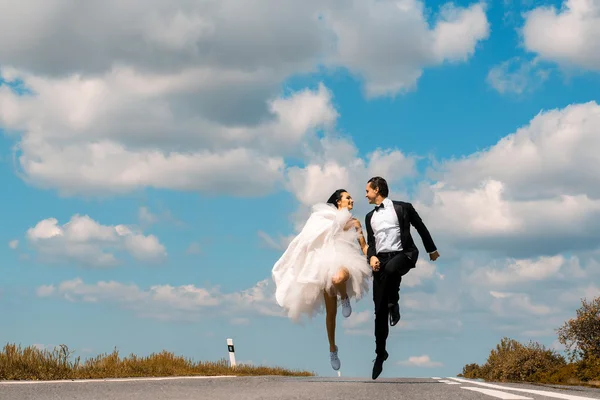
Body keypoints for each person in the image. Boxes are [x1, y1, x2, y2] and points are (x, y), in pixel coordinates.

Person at [272, 189, 371, 371]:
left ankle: (345, 296)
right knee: (331, 313)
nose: (352, 200)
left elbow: (363, 246)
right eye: (347, 198)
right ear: (338, 202)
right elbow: (309, 236)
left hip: (347, 260)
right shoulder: (325, 218)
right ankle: (333, 348)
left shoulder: (355, 222)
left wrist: (372, 256)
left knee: (338, 277)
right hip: (325, 262)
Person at [364, 176, 440, 380]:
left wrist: (431, 249)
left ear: (377, 189)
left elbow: (420, 227)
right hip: (380, 260)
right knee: (378, 312)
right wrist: (371, 256)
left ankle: (393, 302)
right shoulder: (369, 216)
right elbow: (371, 243)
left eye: (368, 191)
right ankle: (380, 354)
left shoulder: (403, 208)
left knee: (391, 270)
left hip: (403, 255)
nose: (366, 194)